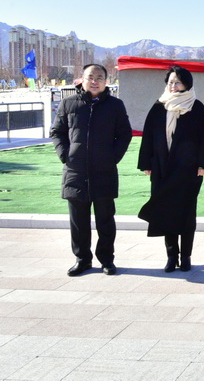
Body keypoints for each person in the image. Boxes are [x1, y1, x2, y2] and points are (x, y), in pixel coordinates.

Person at [51, 63, 132, 276]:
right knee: (78, 221)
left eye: (99, 78)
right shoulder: (69, 103)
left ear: (106, 81)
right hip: (75, 171)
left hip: (104, 171)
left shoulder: (115, 105)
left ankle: (107, 260)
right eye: (90, 77)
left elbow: (124, 134)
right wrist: (66, 155)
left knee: (105, 220)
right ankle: (82, 260)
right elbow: (57, 132)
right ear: (82, 79)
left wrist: (112, 158)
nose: (94, 81)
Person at [137, 66, 204, 273]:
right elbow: (148, 136)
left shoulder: (196, 107)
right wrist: (146, 164)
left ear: (187, 84)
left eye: (177, 82)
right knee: (166, 211)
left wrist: (203, 165)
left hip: (188, 170)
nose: (173, 86)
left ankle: (186, 256)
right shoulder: (159, 106)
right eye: (170, 82)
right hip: (162, 168)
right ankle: (171, 256)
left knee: (186, 213)